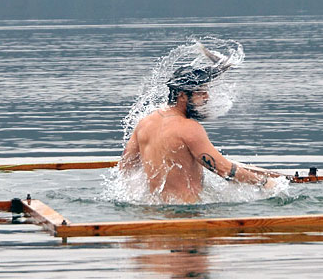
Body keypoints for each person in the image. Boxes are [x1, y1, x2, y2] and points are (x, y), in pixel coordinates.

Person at [118, 45, 277, 204]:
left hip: (153, 211)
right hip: (187, 214)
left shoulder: (145, 122)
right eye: (200, 93)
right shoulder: (188, 128)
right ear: (181, 96)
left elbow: (126, 165)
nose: (207, 97)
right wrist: (264, 182)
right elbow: (224, 169)